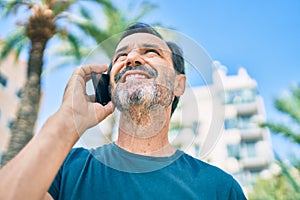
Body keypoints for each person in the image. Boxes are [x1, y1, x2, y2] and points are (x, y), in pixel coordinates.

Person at [0, 22, 247, 200]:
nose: (132, 58)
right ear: (109, 83)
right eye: (121, 55)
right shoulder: (66, 169)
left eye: (151, 52)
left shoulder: (220, 188)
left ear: (179, 84)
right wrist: (68, 122)